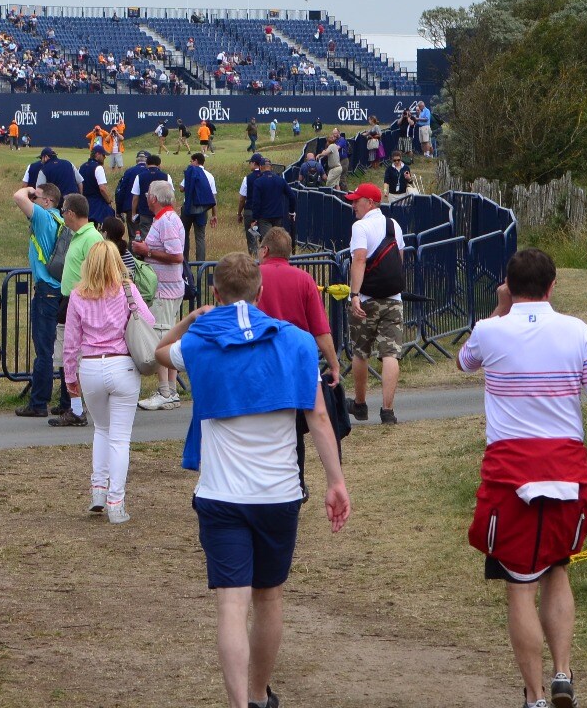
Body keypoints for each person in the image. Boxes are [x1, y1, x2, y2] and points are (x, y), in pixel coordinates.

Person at [157, 252, 351, 708]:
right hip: (278, 494)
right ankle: (260, 694)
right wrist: (335, 480)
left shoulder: (201, 342)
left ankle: (238, 704)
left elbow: (155, 353)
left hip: (220, 495)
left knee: (231, 605)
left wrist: (190, 318)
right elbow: (319, 418)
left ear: (217, 295)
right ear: (261, 293)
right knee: (268, 599)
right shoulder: (299, 343)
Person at [457, 248, 587, 708]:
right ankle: (561, 672)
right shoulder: (576, 332)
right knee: (557, 568)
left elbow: (465, 363)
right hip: (566, 467)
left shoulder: (490, 330)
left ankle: (533, 695)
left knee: (519, 585)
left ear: (509, 287)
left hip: (510, 471)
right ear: (553, 286)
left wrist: (499, 308)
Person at [62, 241, 157, 523]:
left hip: (90, 367)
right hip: (122, 365)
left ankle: (98, 491)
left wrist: (70, 377)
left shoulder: (78, 295)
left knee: (101, 431)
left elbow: (70, 342)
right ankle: (116, 502)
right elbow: (148, 320)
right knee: (119, 438)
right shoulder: (126, 289)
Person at [255, 228, 344, 489]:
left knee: (263, 427)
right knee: (295, 429)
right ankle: (297, 484)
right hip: (297, 363)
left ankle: (264, 483)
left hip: (262, 362)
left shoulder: (253, 277)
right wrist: (334, 364)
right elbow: (320, 329)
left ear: (265, 250)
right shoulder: (304, 280)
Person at [345, 183, 406, 424]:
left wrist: (355, 295)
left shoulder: (360, 227)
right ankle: (388, 411)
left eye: (356, 201)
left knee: (361, 351)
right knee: (391, 353)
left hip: (368, 299)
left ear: (369, 203)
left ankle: (360, 405)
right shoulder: (394, 225)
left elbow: (359, 260)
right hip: (393, 298)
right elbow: (399, 259)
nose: (353, 205)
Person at [12, 182, 67, 419]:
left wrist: (30, 190)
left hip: (46, 290)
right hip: (62, 290)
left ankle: (39, 402)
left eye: (38, 198)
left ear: (47, 201)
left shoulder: (43, 218)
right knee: (66, 348)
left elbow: (18, 196)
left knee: (44, 350)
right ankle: (66, 401)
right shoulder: (62, 221)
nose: (34, 200)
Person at [132, 180, 186, 409]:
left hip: (165, 290)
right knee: (168, 338)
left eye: (147, 194)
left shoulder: (166, 221)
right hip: (166, 288)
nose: (145, 197)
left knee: (161, 340)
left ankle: (165, 390)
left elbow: (177, 256)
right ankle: (170, 391)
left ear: (153, 198)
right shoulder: (165, 219)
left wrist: (148, 251)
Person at [52, 193, 104, 427]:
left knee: (73, 356)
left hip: (80, 304)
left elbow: (99, 274)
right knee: (67, 356)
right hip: (69, 302)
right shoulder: (78, 236)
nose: (62, 214)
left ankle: (78, 408)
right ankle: (73, 406)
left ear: (71, 213)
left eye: (64, 210)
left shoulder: (91, 238)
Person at [239, 154, 296, 251]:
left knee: (267, 242)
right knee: (277, 241)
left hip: (264, 218)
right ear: (271, 167)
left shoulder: (258, 182)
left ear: (260, 167)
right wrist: (291, 212)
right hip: (278, 216)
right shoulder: (280, 180)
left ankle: (267, 263)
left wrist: (254, 218)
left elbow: (256, 202)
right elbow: (292, 196)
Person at [182, 153, 219, 262]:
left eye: (191, 161)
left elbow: (181, 187)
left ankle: (185, 261)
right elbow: (213, 197)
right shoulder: (210, 176)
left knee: (184, 234)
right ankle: (200, 263)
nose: (190, 163)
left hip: (188, 208)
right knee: (200, 237)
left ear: (196, 161)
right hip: (202, 209)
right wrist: (214, 214)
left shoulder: (191, 172)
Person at [78, 144, 116, 224]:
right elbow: (102, 189)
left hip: (84, 202)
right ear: (97, 154)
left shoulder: (82, 167)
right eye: (103, 155)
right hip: (96, 203)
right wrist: (108, 201)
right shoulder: (98, 168)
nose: (104, 157)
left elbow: (79, 185)